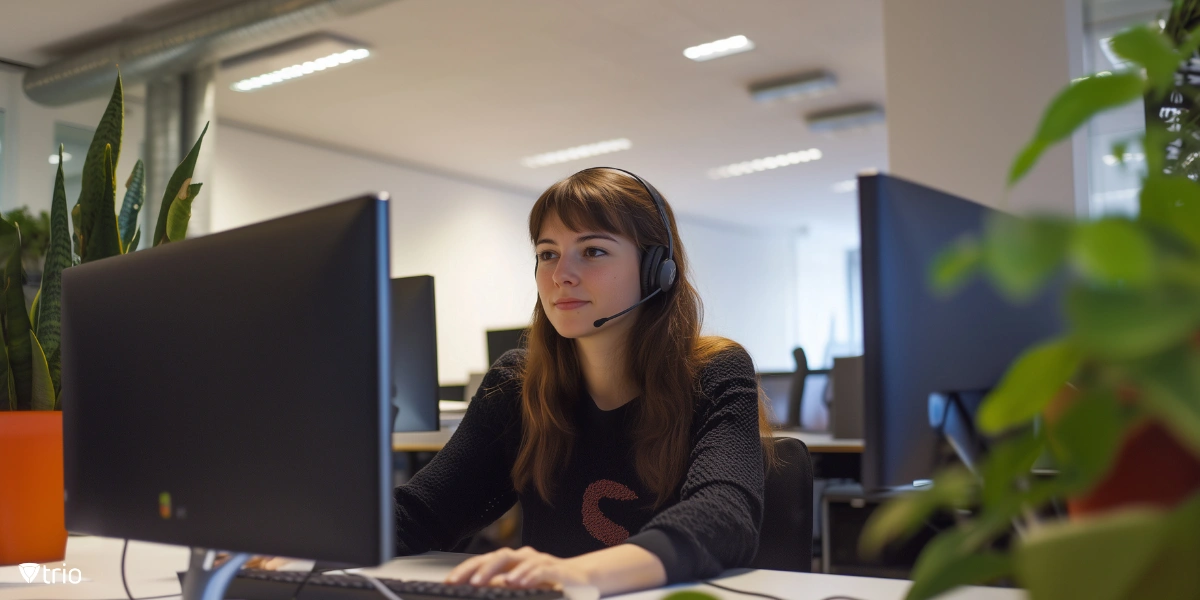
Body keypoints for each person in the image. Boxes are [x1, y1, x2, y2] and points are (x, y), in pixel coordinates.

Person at [393, 167, 776, 597]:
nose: (561, 276)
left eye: (592, 251)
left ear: (657, 270)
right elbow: (422, 514)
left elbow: (723, 518)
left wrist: (584, 575)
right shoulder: (518, 384)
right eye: (547, 254)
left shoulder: (714, 372)